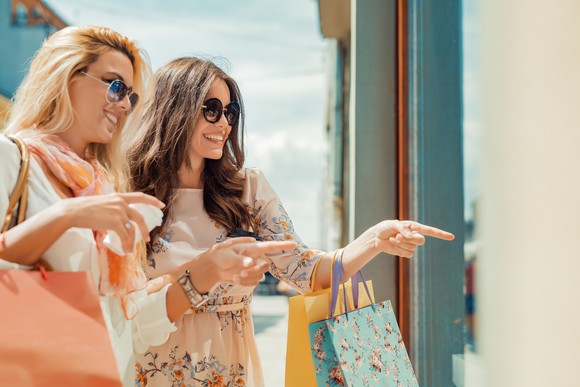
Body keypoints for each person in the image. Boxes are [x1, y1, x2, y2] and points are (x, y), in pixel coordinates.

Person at [128, 56, 455, 386]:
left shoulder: (248, 190)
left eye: (231, 112)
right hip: (148, 367)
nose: (225, 123)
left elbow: (306, 272)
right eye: (212, 108)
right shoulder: (128, 191)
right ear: (175, 107)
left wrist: (373, 240)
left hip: (227, 372)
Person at [0, 26, 294, 386]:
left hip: (101, 371)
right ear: (65, 74)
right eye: (115, 85)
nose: (124, 104)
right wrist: (66, 215)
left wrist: (207, 271)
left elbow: (132, 320)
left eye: (130, 95)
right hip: (33, 369)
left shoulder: (103, 186)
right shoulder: (11, 158)